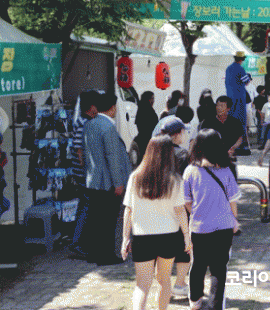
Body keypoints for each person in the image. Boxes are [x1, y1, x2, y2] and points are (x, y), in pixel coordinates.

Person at [121, 136, 191, 310]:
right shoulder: (175, 180)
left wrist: (124, 238)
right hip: (169, 236)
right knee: (164, 279)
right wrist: (186, 235)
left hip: (142, 237)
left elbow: (128, 210)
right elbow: (180, 210)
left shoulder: (135, 177)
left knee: (142, 285)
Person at [184, 129, 241, 310]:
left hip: (199, 227)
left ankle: (195, 301)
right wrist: (234, 220)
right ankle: (215, 305)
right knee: (218, 268)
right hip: (224, 227)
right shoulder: (226, 170)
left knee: (198, 265)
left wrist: (197, 212)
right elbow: (233, 202)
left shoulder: (190, 171)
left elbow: (186, 201)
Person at [83, 92, 133, 265]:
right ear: (112, 108)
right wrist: (118, 183)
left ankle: (93, 253)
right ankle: (106, 255)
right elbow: (112, 157)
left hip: (93, 179)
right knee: (108, 220)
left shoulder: (90, 124)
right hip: (107, 182)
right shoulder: (108, 127)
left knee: (95, 219)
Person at [158, 117, 191, 296]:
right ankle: (180, 283)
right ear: (178, 134)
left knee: (162, 247)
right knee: (184, 244)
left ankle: (164, 286)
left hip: (157, 205)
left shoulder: (154, 152)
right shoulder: (183, 154)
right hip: (179, 205)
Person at [69, 90, 99, 258]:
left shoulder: (83, 120)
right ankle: (77, 242)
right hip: (83, 173)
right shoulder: (84, 122)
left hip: (81, 172)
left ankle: (79, 241)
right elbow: (79, 149)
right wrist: (86, 168)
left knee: (84, 205)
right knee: (86, 206)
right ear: (91, 106)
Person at [225, 51, 252, 150]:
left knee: (231, 118)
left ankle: (231, 142)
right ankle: (240, 144)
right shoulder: (240, 69)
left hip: (230, 97)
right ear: (242, 59)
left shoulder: (228, 68)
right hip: (239, 98)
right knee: (241, 121)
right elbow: (247, 81)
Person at [135, 91, 159, 159]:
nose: (153, 101)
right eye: (152, 98)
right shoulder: (149, 111)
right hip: (148, 140)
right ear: (148, 99)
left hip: (142, 139)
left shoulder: (140, 110)